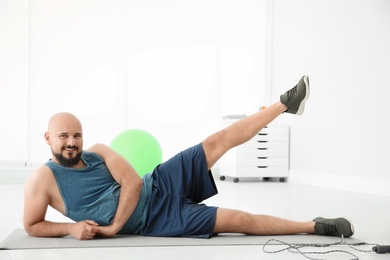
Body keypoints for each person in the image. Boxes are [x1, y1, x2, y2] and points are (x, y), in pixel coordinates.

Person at [23, 75, 354, 240]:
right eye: (63, 136)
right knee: (238, 221)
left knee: (214, 142)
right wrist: (70, 230)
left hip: (158, 182)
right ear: (48, 138)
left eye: (76, 135)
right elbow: (31, 225)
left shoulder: (99, 152)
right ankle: (314, 226)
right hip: (156, 220)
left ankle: (284, 103)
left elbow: (134, 182)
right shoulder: (43, 179)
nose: (71, 142)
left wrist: (112, 229)